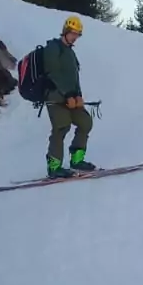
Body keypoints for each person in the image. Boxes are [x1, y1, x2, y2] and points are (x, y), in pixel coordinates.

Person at [40, 15, 95, 179]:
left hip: (70, 99)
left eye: (78, 34)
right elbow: (53, 73)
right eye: (73, 33)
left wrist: (78, 95)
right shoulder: (52, 48)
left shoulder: (70, 53)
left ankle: (77, 160)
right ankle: (54, 167)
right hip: (55, 98)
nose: (75, 37)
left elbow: (74, 77)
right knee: (61, 127)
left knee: (85, 122)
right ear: (65, 31)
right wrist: (68, 94)